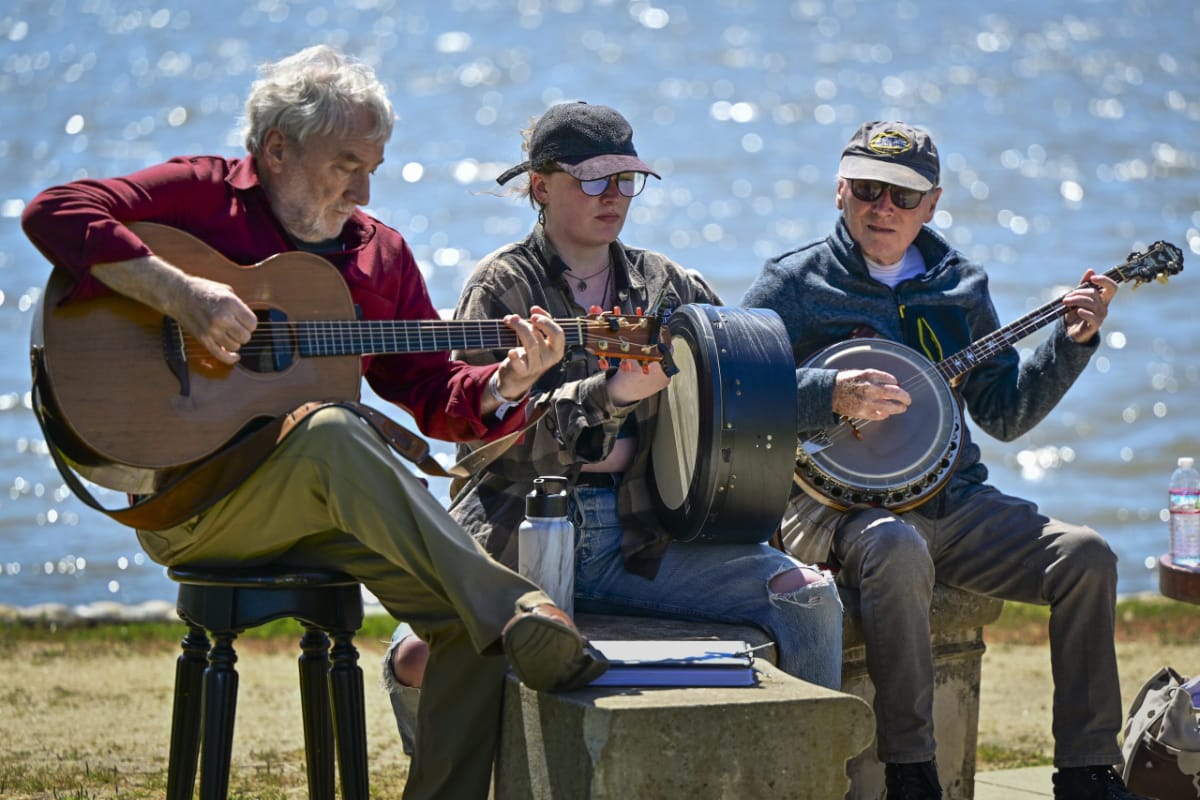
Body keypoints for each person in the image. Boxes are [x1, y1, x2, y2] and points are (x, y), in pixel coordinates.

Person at [21, 45, 607, 800]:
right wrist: (184, 297)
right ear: (276, 150)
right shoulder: (201, 198)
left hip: (324, 506)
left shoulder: (380, 254)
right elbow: (54, 212)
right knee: (334, 430)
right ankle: (517, 605)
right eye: (346, 162)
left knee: (465, 626)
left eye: (375, 164)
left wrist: (505, 382)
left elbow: (432, 393)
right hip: (194, 504)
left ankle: (495, 622)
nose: (364, 188)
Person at [381, 101, 844, 746]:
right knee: (416, 659)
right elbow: (486, 446)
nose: (615, 196)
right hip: (521, 523)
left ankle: (815, 771)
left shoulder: (666, 284)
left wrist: (837, 394)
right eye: (594, 180)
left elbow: (745, 386)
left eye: (626, 180)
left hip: (644, 536)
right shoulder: (502, 287)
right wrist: (609, 393)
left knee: (806, 594)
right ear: (541, 187)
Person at [741, 120, 1150, 800]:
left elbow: (1006, 413)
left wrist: (1074, 343)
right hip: (834, 509)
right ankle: (912, 773)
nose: (884, 208)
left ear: (932, 203)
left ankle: (1087, 771)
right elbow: (737, 390)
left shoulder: (961, 286)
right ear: (840, 190)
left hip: (953, 504)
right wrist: (830, 395)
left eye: (904, 196)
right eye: (868, 189)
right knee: (897, 548)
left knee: (1086, 556)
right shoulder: (794, 283)